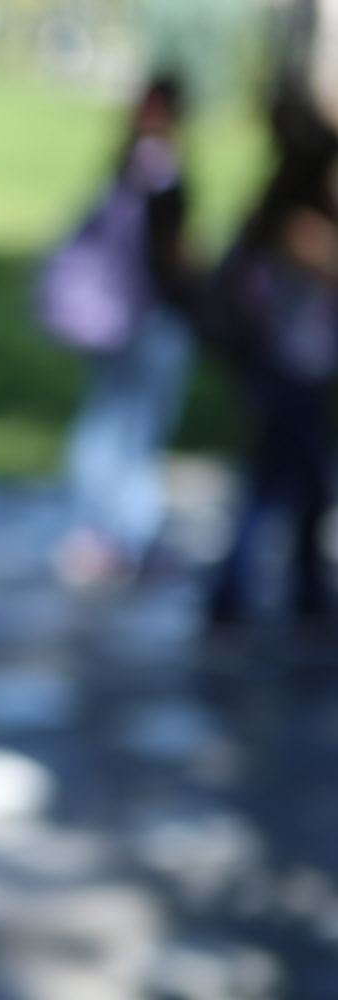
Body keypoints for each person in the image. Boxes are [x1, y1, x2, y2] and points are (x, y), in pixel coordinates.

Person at [51, 74, 200, 587]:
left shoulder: (126, 164)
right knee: (130, 431)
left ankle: (100, 532)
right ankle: (122, 536)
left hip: (116, 316)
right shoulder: (159, 169)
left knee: (106, 424)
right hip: (146, 316)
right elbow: (169, 252)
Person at [204, 91, 338, 626]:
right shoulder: (297, 225)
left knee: (291, 486)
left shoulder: (281, 213)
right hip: (285, 372)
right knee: (285, 487)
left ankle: (299, 591)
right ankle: (233, 596)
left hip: (297, 370)